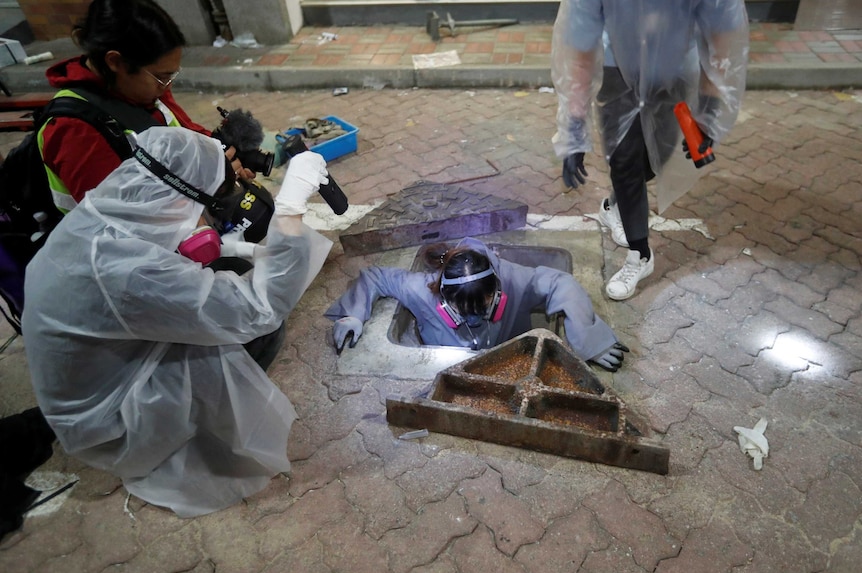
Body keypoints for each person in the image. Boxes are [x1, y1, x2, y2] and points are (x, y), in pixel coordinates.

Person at [21, 126, 332, 517]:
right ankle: (188, 444)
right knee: (248, 335)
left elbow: (160, 256)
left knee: (229, 275)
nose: (204, 220)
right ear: (181, 199)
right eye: (204, 209)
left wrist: (240, 246)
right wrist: (289, 211)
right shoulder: (126, 273)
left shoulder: (101, 215)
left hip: (89, 382)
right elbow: (257, 309)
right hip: (109, 425)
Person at [551, 0, 749, 300]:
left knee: (658, 158)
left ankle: (616, 203)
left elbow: (720, 35)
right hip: (618, 62)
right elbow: (579, 47)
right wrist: (574, 127)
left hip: (674, 64)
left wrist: (709, 107)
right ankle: (640, 253)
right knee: (623, 158)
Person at [39, 0, 254, 213]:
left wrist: (219, 155)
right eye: (162, 77)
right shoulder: (74, 132)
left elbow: (182, 130)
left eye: (171, 75)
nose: (167, 85)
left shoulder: (141, 88)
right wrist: (210, 184)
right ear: (116, 62)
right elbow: (127, 219)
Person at [325, 237, 629, 372]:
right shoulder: (421, 290)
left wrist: (590, 340)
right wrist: (354, 314)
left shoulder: (514, 279)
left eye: (482, 309)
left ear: (497, 290)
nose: (474, 319)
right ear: (442, 297)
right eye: (464, 311)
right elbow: (375, 276)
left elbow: (562, 284)